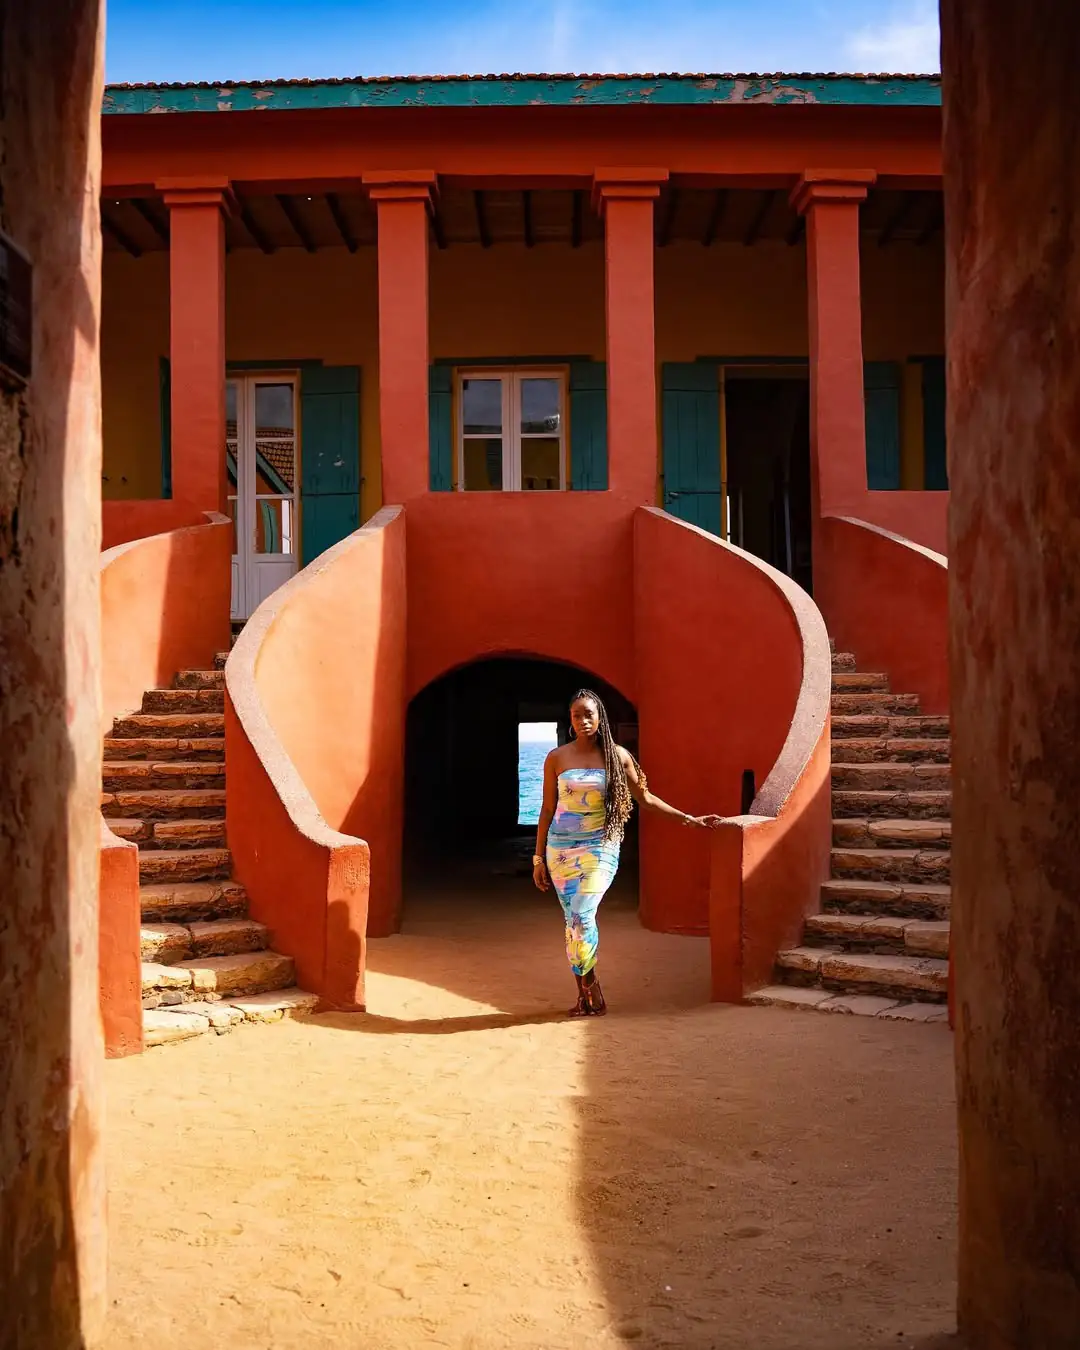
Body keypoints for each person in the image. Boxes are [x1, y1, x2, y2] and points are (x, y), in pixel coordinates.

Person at [533, 688, 724, 1017]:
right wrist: (538, 858)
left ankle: (590, 989)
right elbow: (548, 808)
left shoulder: (617, 756)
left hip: (600, 847)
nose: (583, 720)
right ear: (570, 720)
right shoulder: (557, 758)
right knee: (573, 922)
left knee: (581, 916)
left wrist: (688, 819)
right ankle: (586, 994)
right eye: (577, 715)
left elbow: (646, 798)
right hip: (560, 850)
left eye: (589, 714)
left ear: (600, 717)